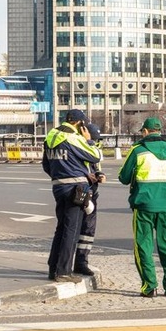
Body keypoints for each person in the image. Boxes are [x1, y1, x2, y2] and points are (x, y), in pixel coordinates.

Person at [118, 117, 166, 298]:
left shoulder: (138, 150)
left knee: (143, 246)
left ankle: (149, 286)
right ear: (159, 131)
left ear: (145, 131)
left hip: (143, 205)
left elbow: (124, 177)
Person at [41, 109, 101, 283]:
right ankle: (64, 271)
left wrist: (59, 175)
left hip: (58, 187)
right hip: (75, 188)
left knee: (61, 228)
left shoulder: (51, 136)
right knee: (71, 230)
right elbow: (95, 156)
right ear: (79, 123)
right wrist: (88, 140)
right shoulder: (73, 138)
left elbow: (46, 165)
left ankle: (53, 268)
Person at [75, 122, 107, 276]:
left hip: (92, 193)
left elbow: (97, 167)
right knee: (73, 229)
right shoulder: (79, 148)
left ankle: (82, 261)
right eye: (94, 140)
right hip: (79, 192)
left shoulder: (94, 150)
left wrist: (100, 175)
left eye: (97, 141)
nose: (96, 143)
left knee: (88, 231)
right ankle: (69, 262)